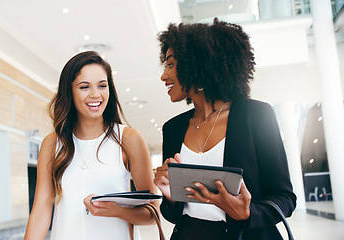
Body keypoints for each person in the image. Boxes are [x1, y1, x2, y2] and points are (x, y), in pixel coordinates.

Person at [153, 19, 297, 240]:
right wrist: (171, 197)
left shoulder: (256, 116)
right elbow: (174, 214)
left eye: (171, 65)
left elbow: (284, 197)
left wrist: (247, 212)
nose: (164, 75)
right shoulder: (173, 128)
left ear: (198, 64)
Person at [24, 51, 158, 240]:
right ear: (69, 92)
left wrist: (117, 211)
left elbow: (154, 212)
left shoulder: (129, 138)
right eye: (84, 87)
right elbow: (40, 213)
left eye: (102, 85)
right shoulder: (52, 143)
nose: (95, 94)